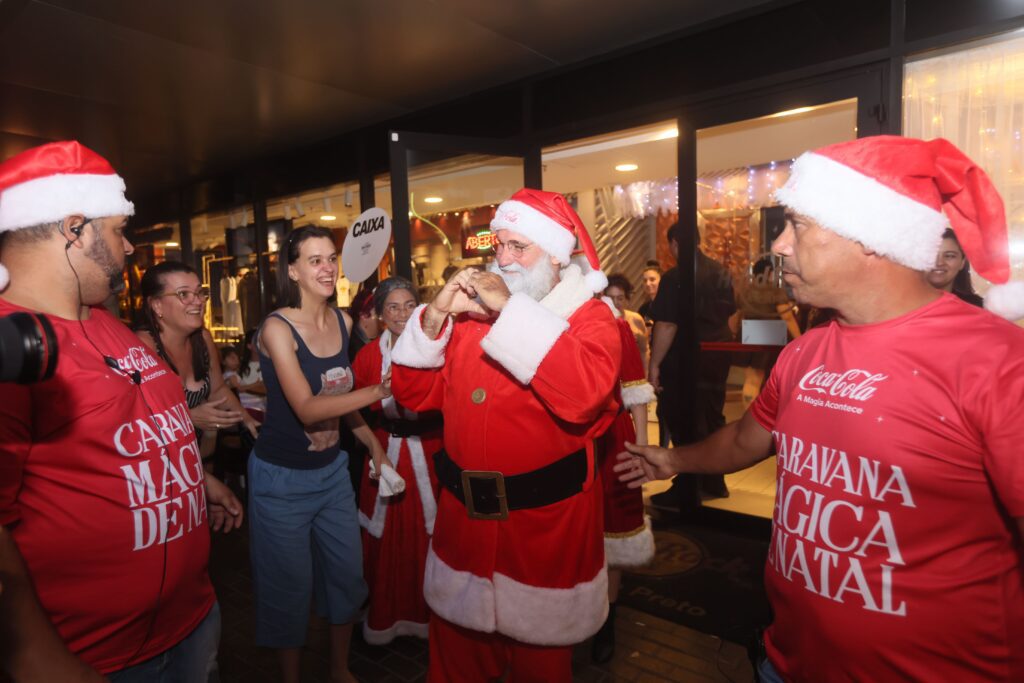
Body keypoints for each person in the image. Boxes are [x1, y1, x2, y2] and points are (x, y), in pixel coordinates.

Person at [618, 135, 1024, 682]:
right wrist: (674, 461)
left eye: (798, 226)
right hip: (785, 663)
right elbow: (745, 440)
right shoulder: (806, 352)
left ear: (871, 240)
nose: (780, 245)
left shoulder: (997, 362)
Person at [0, 140, 242, 682]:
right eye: (117, 231)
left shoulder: (105, 322)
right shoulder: (11, 348)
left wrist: (197, 480)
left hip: (192, 620)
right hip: (98, 657)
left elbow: (139, 425)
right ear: (74, 228)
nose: (129, 247)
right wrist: (33, 655)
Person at [390, 188, 621, 682]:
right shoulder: (469, 322)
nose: (505, 259)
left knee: (540, 668)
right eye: (499, 245)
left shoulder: (591, 318)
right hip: (463, 535)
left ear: (557, 256)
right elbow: (412, 396)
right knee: (454, 668)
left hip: (542, 537)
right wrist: (434, 315)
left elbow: (584, 396)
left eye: (521, 247)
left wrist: (509, 312)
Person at [250, 224, 390, 683]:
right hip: (282, 479)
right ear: (292, 270)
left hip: (331, 474)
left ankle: (338, 669)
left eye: (331, 258)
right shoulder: (277, 327)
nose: (327, 268)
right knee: (288, 588)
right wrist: (379, 389)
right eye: (314, 260)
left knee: (347, 577)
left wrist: (371, 443)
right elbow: (308, 408)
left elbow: (341, 401)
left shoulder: (344, 322)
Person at [353, 276, 443, 645]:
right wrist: (374, 451)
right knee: (383, 541)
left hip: (431, 449)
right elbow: (354, 409)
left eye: (409, 306)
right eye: (393, 307)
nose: (402, 314)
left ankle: (431, 618)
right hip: (384, 449)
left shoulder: (438, 349)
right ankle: (384, 617)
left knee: (430, 538)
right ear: (379, 314)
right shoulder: (368, 355)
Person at [136, 261, 259, 472]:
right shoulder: (142, 347)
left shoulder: (202, 338)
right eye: (184, 294)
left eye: (199, 293)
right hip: (162, 468)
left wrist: (247, 421)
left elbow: (218, 390)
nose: (198, 301)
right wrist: (187, 416)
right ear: (156, 305)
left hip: (201, 458)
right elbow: (136, 417)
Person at [647, 223, 734, 504]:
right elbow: (731, 316)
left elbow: (668, 325)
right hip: (716, 354)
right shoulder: (721, 272)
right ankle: (715, 482)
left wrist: (655, 364)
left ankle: (689, 485)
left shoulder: (674, 278)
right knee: (711, 416)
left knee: (683, 419)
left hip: (685, 358)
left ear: (674, 244)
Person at [590, 298, 656, 664]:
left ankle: (607, 623)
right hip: (562, 441)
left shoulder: (612, 322)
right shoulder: (541, 322)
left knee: (612, 533)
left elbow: (636, 390)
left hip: (612, 438)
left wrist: (641, 448)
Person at [927, 227, 984, 307]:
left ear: (962, 262)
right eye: (931, 255)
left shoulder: (979, 308)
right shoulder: (904, 305)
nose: (939, 262)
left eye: (949, 256)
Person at [604, 272, 649, 369]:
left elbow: (644, 350)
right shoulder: (599, 323)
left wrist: (645, 376)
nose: (615, 303)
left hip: (633, 375)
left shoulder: (635, 319)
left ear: (626, 299)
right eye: (611, 298)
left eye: (620, 298)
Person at [227, 328, 267, 422]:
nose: (262, 344)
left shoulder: (268, 365)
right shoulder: (240, 367)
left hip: (261, 410)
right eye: (257, 341)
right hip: (241, 409)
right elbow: (230, 385)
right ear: (249, 346)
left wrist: (243, 387)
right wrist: (256, 385)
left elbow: (266, 388)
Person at [637, 260, 661, 325]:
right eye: (645, 281)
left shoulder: (669, 305)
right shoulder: (643, 309)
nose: (647, 284)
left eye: (652, 279)